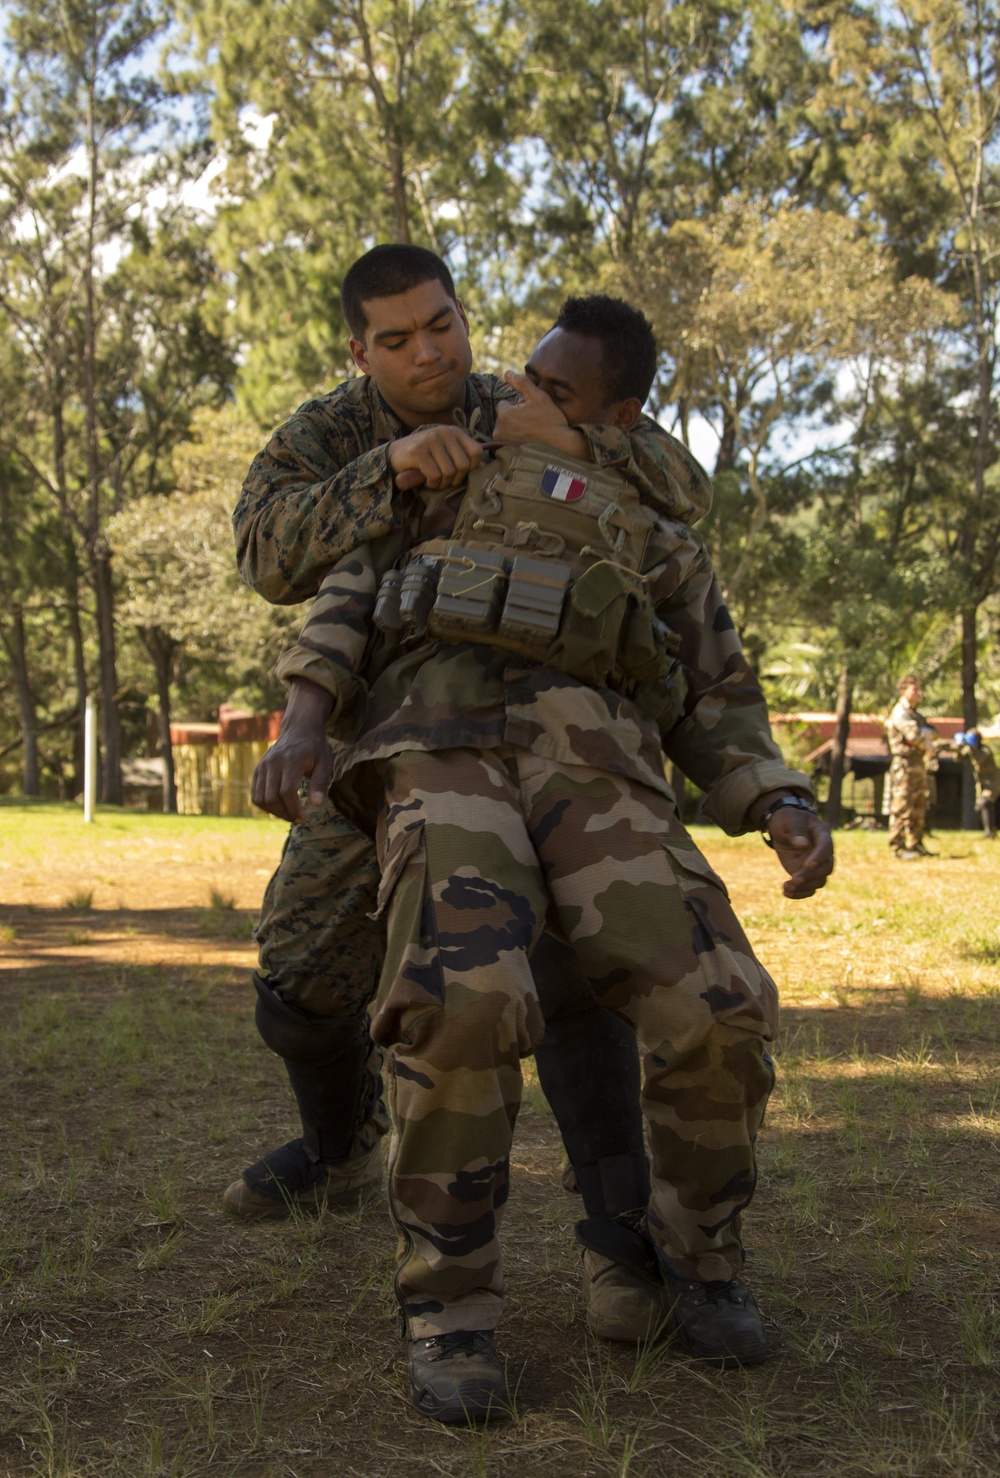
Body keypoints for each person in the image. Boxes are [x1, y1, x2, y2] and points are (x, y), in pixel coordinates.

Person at [273, 291, 834, 1423]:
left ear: (613, 419)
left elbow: (717, 690)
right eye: (522, 378)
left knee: (719, 1001)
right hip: (439, 736)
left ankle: (697, 1258)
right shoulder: (439, 475)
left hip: (597, 755)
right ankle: (449, 1307)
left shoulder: (656, 534)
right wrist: (300, 721)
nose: (513, 396)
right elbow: (344, 596)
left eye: (549, 390)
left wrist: (774, 795)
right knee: (463, 999)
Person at [229, 246, 717, 1348]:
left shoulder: (520, 400)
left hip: (538, 734)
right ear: (359, 351)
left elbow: (682, 492)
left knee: (560, 956)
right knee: (301, 970)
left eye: (440, 324)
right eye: (396, 340)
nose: (428, 351)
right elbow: (265, 550)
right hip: (386, 737)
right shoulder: (328, 435)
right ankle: (338, 1143)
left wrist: (570, 439)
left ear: (461, 315)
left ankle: (619, 1232)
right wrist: (390, 468)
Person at [884, 675, 936, 859]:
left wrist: (925, 736)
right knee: (901, 806)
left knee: (918, 806)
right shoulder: (900, 712)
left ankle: (915, 844)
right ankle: (897, 848)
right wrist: (926, 740)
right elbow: (914, 736)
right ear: (903, 691)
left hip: (917, 764)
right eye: (915, 689)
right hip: (904, 765)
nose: (919, 693)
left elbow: (933, 732)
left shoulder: (916, 714)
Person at [953, 729, 998, 838]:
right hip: (981, 783)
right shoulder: (969, 749)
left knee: (985, 803)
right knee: (979, 807)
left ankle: (989, 832)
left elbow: (979, 759)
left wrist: (972, 747)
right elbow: (958, 759)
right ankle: (992, 829)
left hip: (993, 781)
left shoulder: (985, 750)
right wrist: (959, 746)